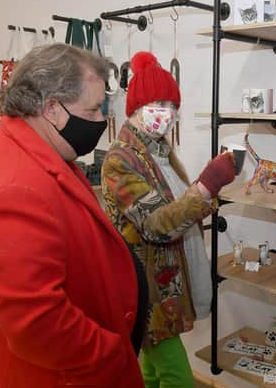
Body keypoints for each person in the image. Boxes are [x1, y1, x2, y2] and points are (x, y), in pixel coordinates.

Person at [0, 43, 144, 388]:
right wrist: (109, 354)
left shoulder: (33, 148)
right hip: (56, 374)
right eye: (92, 111)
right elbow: (36, 323)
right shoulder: (15, 191)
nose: (100, 122)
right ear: (52, 110)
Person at [101, 51, 236, 388]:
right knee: (178, 377)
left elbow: (175, 206)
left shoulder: (159, 152)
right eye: (160, 102)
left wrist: (208, 185)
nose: (169, 112)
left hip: (165, 282)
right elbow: (156, 224)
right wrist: (206, 186)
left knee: (151, 369)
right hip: (146, 289)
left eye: (173, 104)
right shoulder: (121, 160)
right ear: (135, 108)